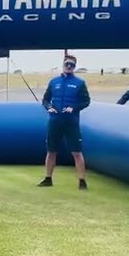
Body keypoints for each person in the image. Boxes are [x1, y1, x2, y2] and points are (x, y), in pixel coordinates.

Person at [38, 55, 91, 190]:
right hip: (55, 121)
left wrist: (74, 107)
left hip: (71, 122)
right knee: (51, 151)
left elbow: (86, 101)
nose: (69, 67)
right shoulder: (54, 82)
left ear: (74, 67)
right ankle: (48, 178)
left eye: (71, 65)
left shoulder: (79, 83)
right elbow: (45, 99)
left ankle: (82, 181)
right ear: (63, 65)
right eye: (67, 64)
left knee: (76, 152)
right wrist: (49, 107)